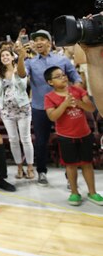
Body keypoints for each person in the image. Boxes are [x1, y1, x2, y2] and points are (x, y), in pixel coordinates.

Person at [22, 29, 82, 186]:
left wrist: (75, 96)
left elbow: (76, 78)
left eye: (42, 39)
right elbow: (22, 76)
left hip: (63, 106)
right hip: (40, 108)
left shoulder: (62, 60)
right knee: (41, 141)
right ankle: (41, 171)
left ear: (49, 42)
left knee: (67, 141)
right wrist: (21, 56)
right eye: (36, 40)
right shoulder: (30, 62)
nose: (38, 42)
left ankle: (70, 177)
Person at [43, 66, 102, 206]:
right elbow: (52, 116)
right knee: (71, 166)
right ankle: (74, 193)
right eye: (58, 76)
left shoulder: (78, 90)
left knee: (87, 164)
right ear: (50, 82)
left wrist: (79, 103)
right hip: (66, 137)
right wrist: (65, 104)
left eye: (63, 75)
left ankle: (92, 192)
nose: (63, 77)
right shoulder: (49, 97)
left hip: (84, 134)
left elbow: (91, 108)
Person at [0, 45, 35, 180]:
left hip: (22, 109)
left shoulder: (19, 69)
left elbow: (22, 86)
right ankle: (19, 167)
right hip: (7, 111)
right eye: (2, 56)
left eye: (7, 55)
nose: (5, 57)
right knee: (13, 140)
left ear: (12, 56)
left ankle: (30, 167)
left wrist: (15, 75)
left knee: (25, 139)